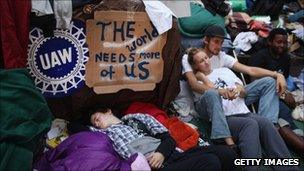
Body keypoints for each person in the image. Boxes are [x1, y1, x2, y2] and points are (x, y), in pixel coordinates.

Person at [187, 48, 298, 171]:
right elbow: (212, 92)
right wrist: (203, 77)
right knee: (250, 124)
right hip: (225, 118)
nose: (206, 62)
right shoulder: (197, 81)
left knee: (265, 123)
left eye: (206, 58)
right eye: (201, 61)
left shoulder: (224, 70)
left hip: (243, 111)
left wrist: (239, 91)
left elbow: (244, 92)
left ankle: (288, 167)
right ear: (195, 66)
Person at [182, 24, 286, 146]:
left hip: (233, 95)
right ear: (206, 40)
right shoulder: (189, 57)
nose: (219, 46)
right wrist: (219, 91)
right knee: (213, 95)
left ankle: (268, 126)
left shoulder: (222, 56)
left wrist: (277, 75)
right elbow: (194, 85)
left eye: (221, 43)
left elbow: (249, 70)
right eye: (216, 42)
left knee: (269, 82)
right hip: (212, 99)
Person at [89, 107, 237, 171]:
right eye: (94, 123)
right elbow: (75, 127)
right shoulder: (103, 134)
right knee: (210, 162)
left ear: (108, 111)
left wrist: (161, 153)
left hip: (173, 153)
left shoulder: (137, 118)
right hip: (154, 167)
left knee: (227, 154)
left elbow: (168, 139)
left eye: (97, 118)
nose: (96, 123)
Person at [248, 28, 304, 152]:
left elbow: (284, 79)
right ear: (269, 42)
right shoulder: (259, 57)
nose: (282, 45)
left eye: (285, 43)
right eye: (278, 42)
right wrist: (283, 95)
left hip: (277, 96)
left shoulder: (286, 58)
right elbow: (254, 83)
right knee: (283, 126)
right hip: (261, 98)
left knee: (292, 124)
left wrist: (286, 93)